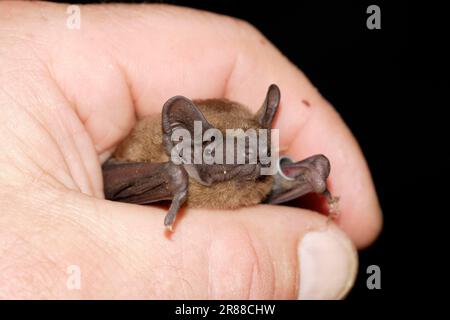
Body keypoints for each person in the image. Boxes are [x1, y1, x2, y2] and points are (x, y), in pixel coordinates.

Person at [0, 1, 382, 299]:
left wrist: (307, 178)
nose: (248, 161)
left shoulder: (260, 172)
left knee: (304, 169)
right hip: (148, 183)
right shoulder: (169, 170)